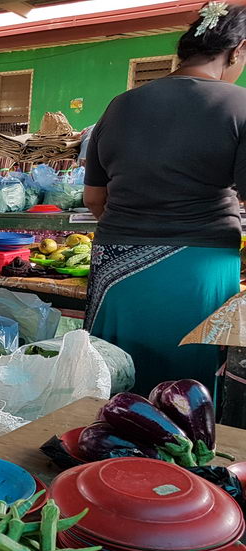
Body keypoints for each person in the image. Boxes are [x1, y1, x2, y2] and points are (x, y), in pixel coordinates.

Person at [83, 1, 246, 396]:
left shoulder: (120, 105)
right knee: (184, 394)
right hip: (197, 267)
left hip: (115, 264)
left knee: (114, 380)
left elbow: (94, 198)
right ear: (237, 50)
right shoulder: (238, 105)